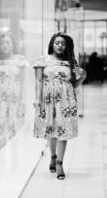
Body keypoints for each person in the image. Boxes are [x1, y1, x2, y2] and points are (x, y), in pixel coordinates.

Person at [33, 32, 86, 180]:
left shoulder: (70, 62)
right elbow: (38, 81)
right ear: (52, 44)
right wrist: (37, 99)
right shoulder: (42, 60)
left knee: (64, 131)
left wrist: (83, 76)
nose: (60, 46)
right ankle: (53, 156)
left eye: (63, 43)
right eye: (57, 43)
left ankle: (60, 164)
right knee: (51, 130)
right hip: (48, 99)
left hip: (66, 100)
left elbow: (74, 84)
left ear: (66, 46)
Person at [0, 33, 29, 150]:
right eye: (2, 43)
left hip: (13, 98)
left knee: (13, 127)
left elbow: (23, 81)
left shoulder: (20, 59)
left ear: (13, 44)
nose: (5, 46)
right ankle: (1, 159)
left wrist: (23, 100)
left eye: (7, 42)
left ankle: (14, 158)